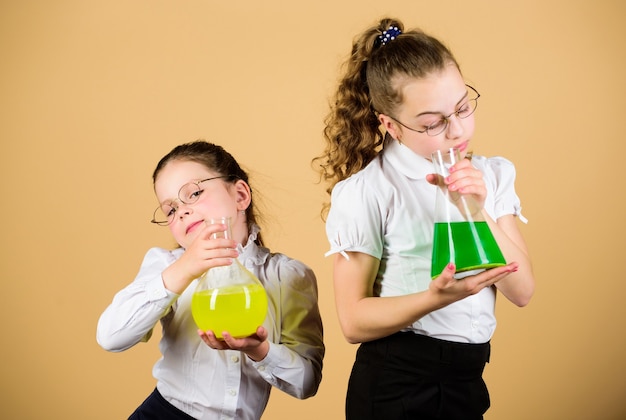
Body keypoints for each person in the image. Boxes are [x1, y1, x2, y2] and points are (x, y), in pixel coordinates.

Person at [314, 17, 534, 420]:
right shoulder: (369, 190)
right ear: (390, 126)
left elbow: (522, 291)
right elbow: (352, 321)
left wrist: (475, 207)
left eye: (463, 107)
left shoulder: (494, 174)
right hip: (395, 382)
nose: (457, 130)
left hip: (466, 380)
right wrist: (433, 299)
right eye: (433, 123)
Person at [97, 140, 324, 420]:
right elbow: (111, 336)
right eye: (170, 210)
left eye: (193, 193)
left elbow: (307, 382)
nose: (181, 211)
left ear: (240, 195)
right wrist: (184, 269)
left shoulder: (287, 276)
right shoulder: (168, 266)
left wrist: (259, 350)